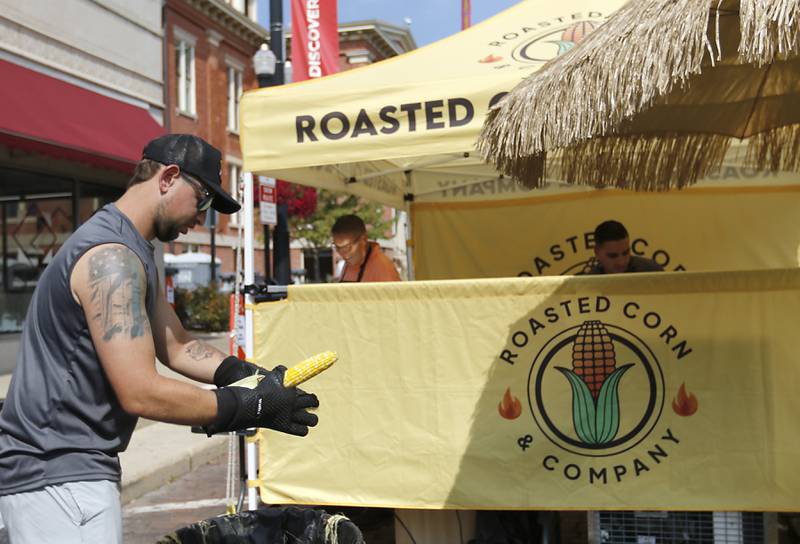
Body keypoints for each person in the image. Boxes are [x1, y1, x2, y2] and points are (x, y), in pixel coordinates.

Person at [0, 134, 319, 543]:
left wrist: (244, 374)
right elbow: (141, 392)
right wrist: (247, 406)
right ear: (168, 177)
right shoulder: (111, 258)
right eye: (203, 201)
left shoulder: (131, 249)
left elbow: (177, 345)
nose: (203, 220)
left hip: (63, 475)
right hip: (57, 479)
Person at [331, 214, 400, 282]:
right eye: (338, 247)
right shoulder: (349, 262)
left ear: (364, 239)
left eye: (347, 247)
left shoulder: (382, 268)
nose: (343, 254)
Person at [585, 220, 663, 274]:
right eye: (613, 256)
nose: (621, 262)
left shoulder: (652, 272)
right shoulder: (587, 285)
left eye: (626, 253)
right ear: (597, 252)